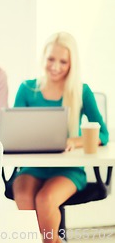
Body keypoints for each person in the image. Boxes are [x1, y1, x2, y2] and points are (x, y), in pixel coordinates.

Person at [11, 32, 109, 243]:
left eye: (63, 61)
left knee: (46, 200)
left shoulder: (81, 91)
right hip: (32, 167)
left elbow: (103, 134)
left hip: (68, 169)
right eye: (51, 59)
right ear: (43, 58)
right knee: (24, 197)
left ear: (72, 63)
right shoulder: (27, 89)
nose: (55, 66)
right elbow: (16, 132)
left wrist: (75, 140)